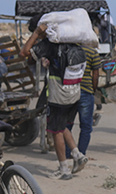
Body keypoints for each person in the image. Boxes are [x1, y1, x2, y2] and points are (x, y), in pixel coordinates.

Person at [21, 21, 88, 179]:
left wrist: (37, 33)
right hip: (74, 94)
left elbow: (24, 53)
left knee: (56, 131)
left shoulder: (50, 45)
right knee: (63, 125)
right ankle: (78, 155)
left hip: (58, 96)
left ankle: (63, 169)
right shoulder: (78, 47)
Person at [66, 44, 102, 158]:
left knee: (67, 124)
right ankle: (81, 154)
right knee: (86, 126)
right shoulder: (93, 53)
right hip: (86, 92)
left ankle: (67, 153)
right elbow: (95, 75)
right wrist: (93, 90)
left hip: (70, 91)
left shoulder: (69, 50)